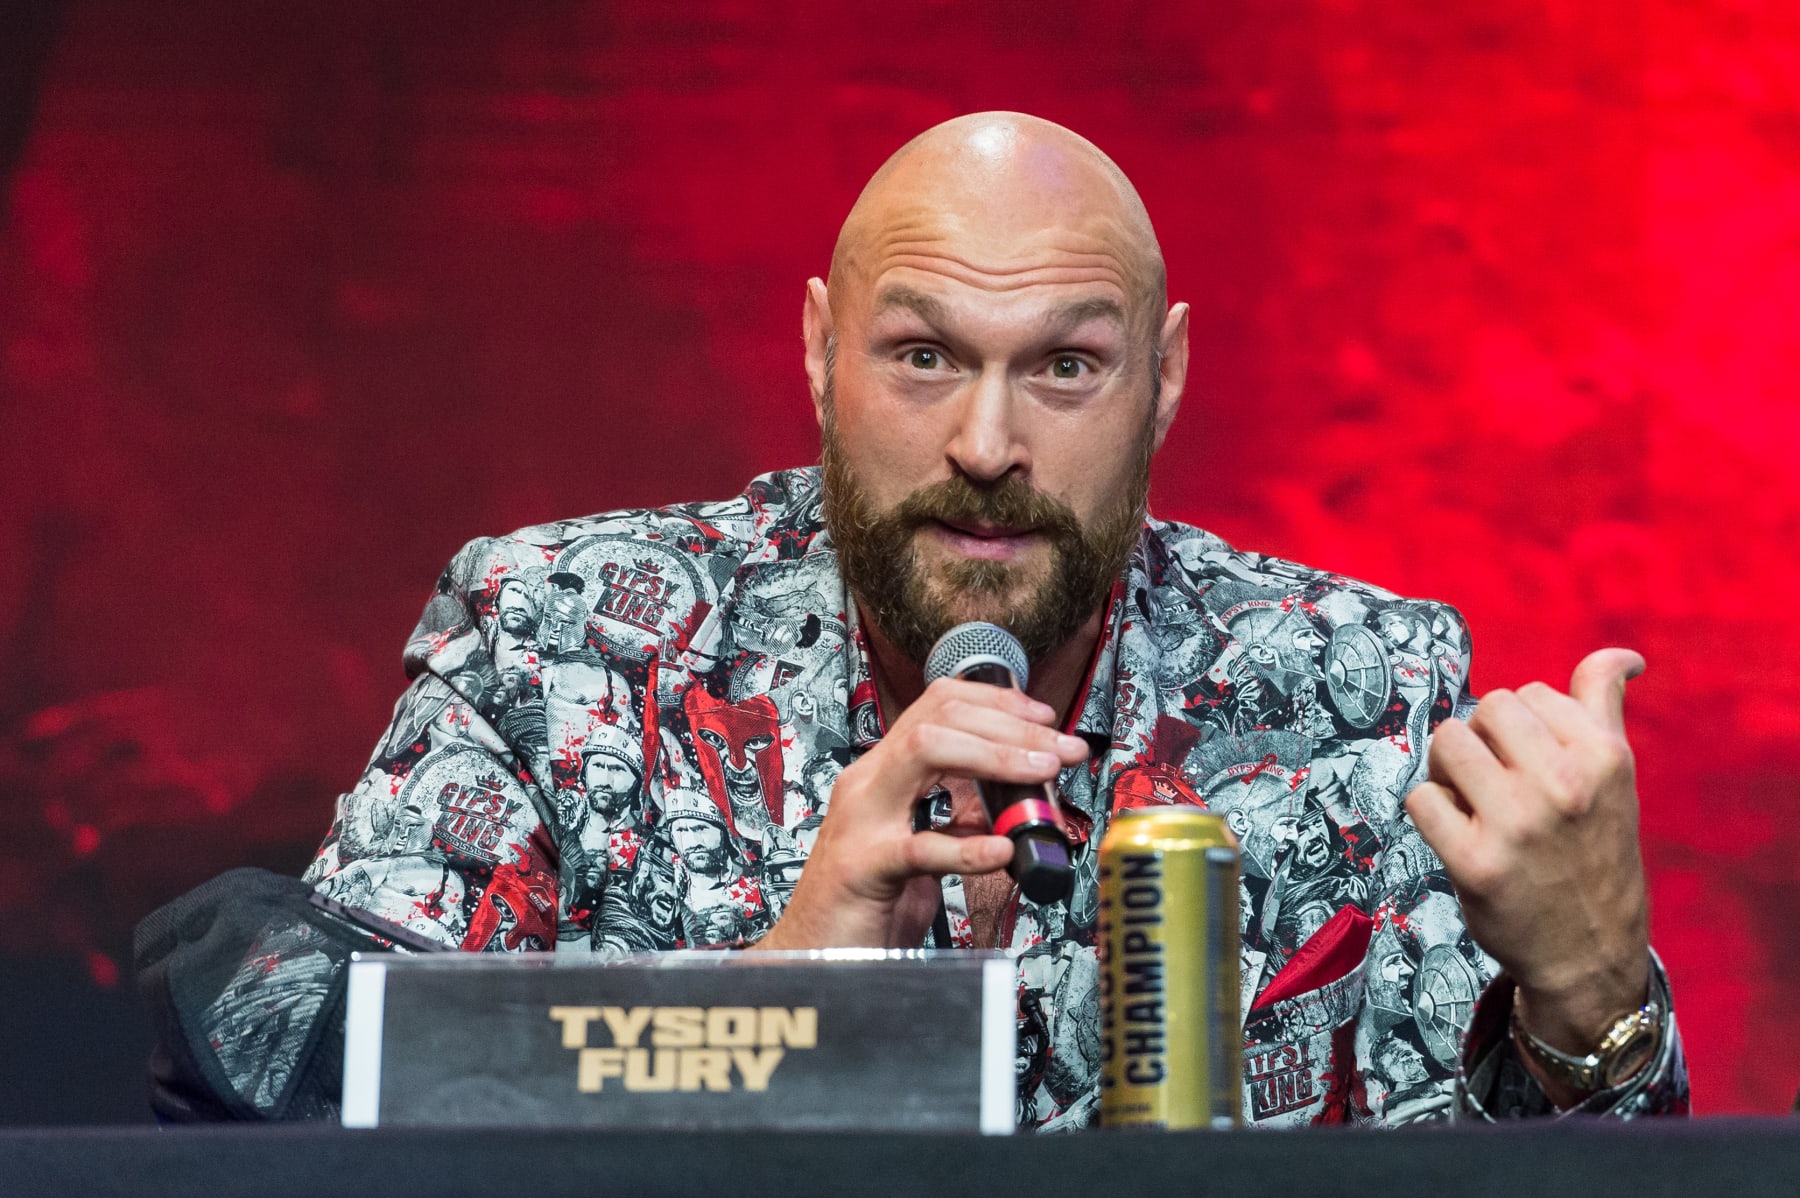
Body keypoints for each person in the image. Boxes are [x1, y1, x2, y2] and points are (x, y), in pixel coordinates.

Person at [236, 113, 1685, 1128]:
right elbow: (310, 1096)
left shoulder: (1367, 692)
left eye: (1065, 365)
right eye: (923, 353)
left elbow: (1508, 1173)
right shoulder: (552, 646)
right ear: (818, 349)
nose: (986, 441)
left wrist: (1589, 1000)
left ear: (1165, 382)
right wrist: (779, 999)